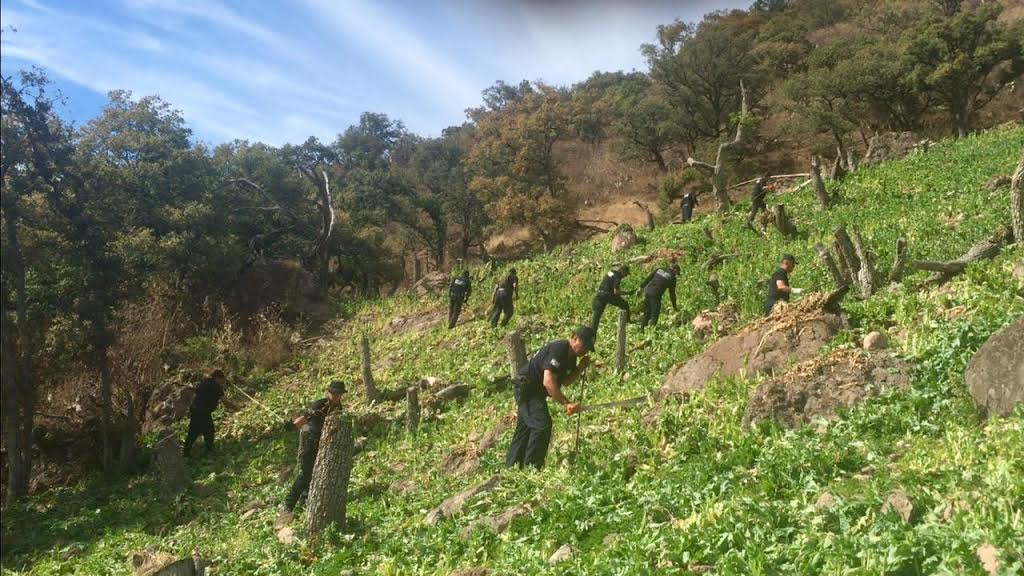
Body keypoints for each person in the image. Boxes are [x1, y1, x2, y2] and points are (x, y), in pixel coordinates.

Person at [506, 326, 596, 469]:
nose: (585, 350)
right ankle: (532, 468)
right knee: (542, 425)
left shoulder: (571, 357)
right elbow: (548, 382)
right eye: (584, 345)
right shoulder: (559, 348)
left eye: (588, 348)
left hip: (536, 392)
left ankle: (512, 467)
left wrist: (580, 368)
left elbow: (566, 381)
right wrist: (566, 403)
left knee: (526, 428)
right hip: (528, 389)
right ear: (575, 338)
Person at [282, 380, 346, 513]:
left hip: (322, 444)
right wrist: (293, 426)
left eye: (339, 394)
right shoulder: (320, 404)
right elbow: (305, 418)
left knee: (314, 473)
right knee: (305, 474)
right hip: (308, 441)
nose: (336, 396)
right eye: (334, 393)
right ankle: (288, 505)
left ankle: (304, 501)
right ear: (329, 392)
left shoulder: (338, 408)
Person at [183, 369, 225, 457]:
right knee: (209, 431)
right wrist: (237, 407)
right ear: (217, 378)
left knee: (193, 432)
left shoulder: (204, 382)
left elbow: (195, 395)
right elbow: (224, 401)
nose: (223, 381)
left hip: (195, 410)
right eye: (222, 379)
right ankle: (209, 450)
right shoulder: (216, 386)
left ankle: (186, 452)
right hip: (203, 412)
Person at [637, 263, 680, 329]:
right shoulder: (672, 277)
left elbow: (648, 278)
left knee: (647, 312)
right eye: (676, 273)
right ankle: (652, 330)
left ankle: (642, 329)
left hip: (648, 291)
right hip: (656, 295)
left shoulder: (659, 269)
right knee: (655, 313)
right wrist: (674, 307)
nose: (676, 274)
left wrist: (641, 287)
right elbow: (672, 294)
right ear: (675, 270)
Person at [590, 264, 630, 331]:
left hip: (600, 294)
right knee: (624, 304)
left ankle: (592, 331)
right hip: (607, 295)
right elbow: (616, 292)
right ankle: (627, 321)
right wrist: (627, 293)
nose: (625, 276)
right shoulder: (618, 276)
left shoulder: (611, 272)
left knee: (597, 315)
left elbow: (608, 281)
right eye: (626, 274)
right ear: (623, 271)